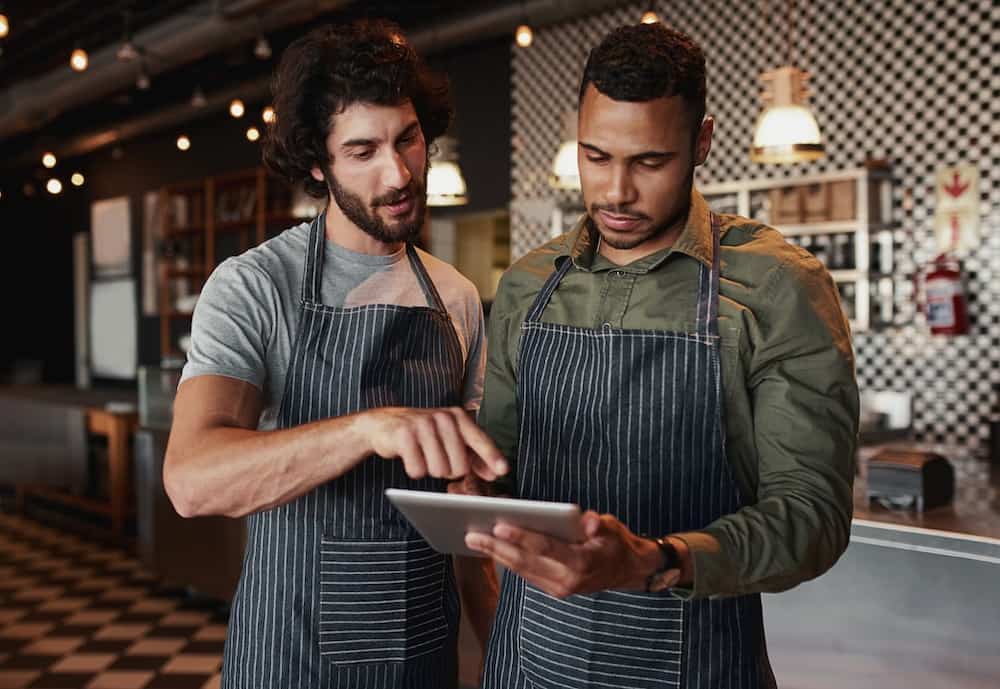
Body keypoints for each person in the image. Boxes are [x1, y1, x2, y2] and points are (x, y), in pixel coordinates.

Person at [465, 22, 859, 689]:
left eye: (649, 162)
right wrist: (470, 485)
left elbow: (812, 515)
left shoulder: (776, 286)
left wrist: (655, 559)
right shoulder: (531, 284)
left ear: (702, 141)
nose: (616, 191)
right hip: (530, 660)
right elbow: (501, 463)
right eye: (596, 156)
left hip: (694, 664)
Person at [162, 20, 507, 689]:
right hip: (292, 655)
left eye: (408, 139)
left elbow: (469, 517)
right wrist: (367, 427)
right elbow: (192, 479)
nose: (399, 171)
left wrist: (499, 645)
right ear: (317, 164)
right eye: (362, 150)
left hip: (421, 656)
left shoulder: (456, 297)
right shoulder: (257, 286)